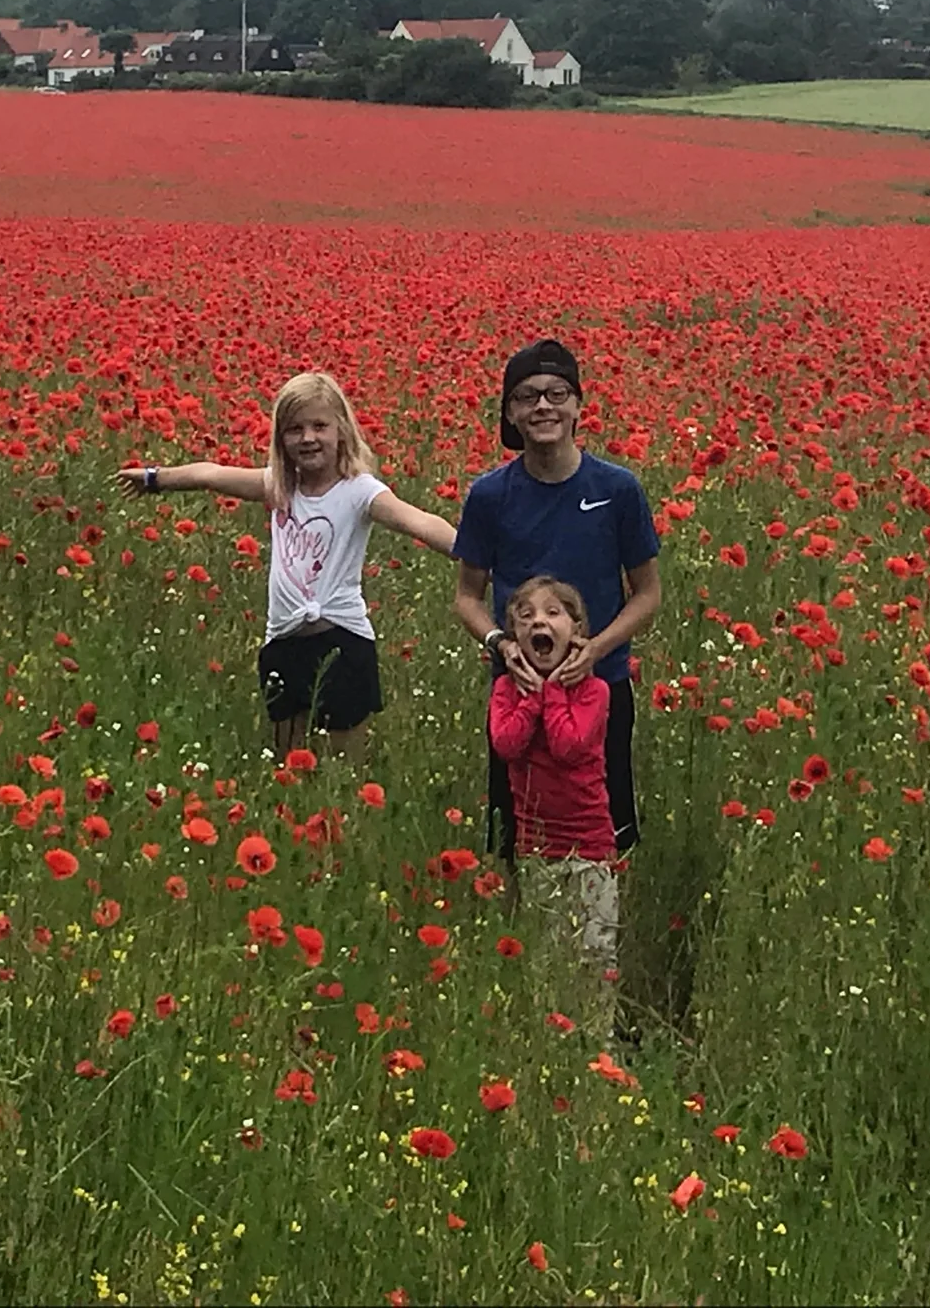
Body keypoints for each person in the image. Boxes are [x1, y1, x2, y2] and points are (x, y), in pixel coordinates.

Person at [119, 370, 454, 757]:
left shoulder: (359, 491)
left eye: (319, 426)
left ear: (341, 430)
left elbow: (418, 521)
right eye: (295, 429)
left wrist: (474, 551)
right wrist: (154, 478)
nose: (308, 438)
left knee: (341, 768)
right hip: (282, 642)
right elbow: (210, 474)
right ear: (281, 438)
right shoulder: (280, 487)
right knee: (288, 765)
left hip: (342, 641)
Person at [453, 338, 660, 861]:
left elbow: (648, 594)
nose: (543, 406)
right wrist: (502, 645)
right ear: (510, 414)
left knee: (606, 827)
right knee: (514, 830)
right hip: (517, 691)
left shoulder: (618, 489)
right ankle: (520, 933)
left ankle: (603, 937)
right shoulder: (490, 495)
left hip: (600, 687)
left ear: (578, 407)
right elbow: (467, 597)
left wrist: (596, 648)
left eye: (556, 393)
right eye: (527, 396)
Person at [486, 575, 618, 1025]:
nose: (539, 621)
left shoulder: (595, 692)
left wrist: (552, 691)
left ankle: (596, 1041)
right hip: (537, 847)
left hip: (590, 848)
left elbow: (567, 745)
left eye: (553, 613)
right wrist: (531, 699)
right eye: (526, 617)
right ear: (515, 639)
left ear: (577, 632)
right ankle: (551, 1040)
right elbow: (507, 744)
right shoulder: (506, 691)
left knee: (594, 955)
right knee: (546, 953)